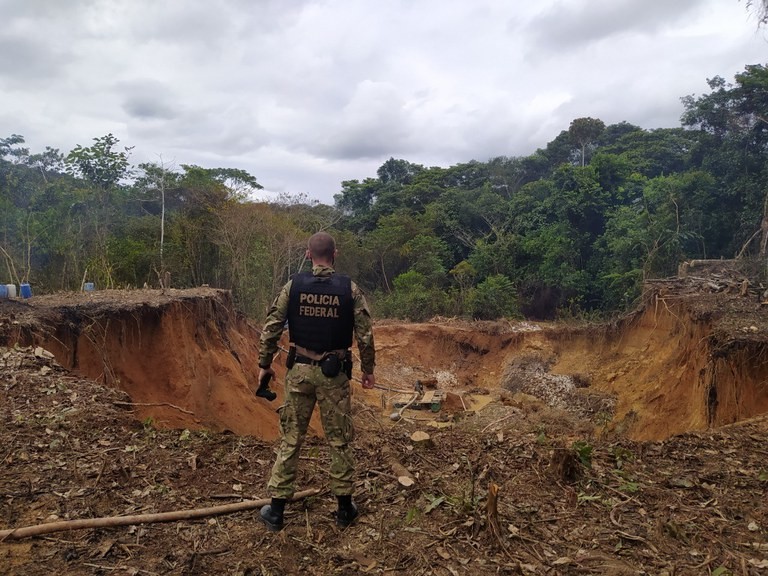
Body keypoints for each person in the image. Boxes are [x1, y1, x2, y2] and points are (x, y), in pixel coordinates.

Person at [256, 231, 376, 531]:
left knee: (291, 438)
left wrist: (264, 364)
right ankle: (344, 509)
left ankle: (277, 511)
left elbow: (272, 326)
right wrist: (368, 370)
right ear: (335, 254)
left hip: (299, 372)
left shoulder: (293, 286)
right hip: (334, 375)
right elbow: (365, 334)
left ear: (308, 255)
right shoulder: (349, 289)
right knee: (339, 439)